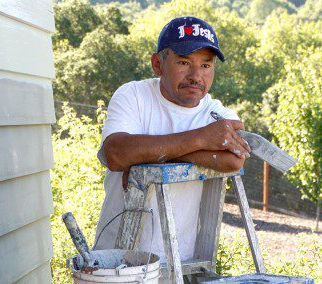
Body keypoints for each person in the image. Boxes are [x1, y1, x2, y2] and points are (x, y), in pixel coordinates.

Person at [94, 16, 250, 263]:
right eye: (184, 62)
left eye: (206, 65)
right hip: (115, 259)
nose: (196, 75)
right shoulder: (133, 95)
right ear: (158, 64)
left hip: (178, 263)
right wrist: (202, 138)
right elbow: (115, 154)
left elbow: (233, 162)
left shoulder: (218, 115)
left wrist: (146, 157)